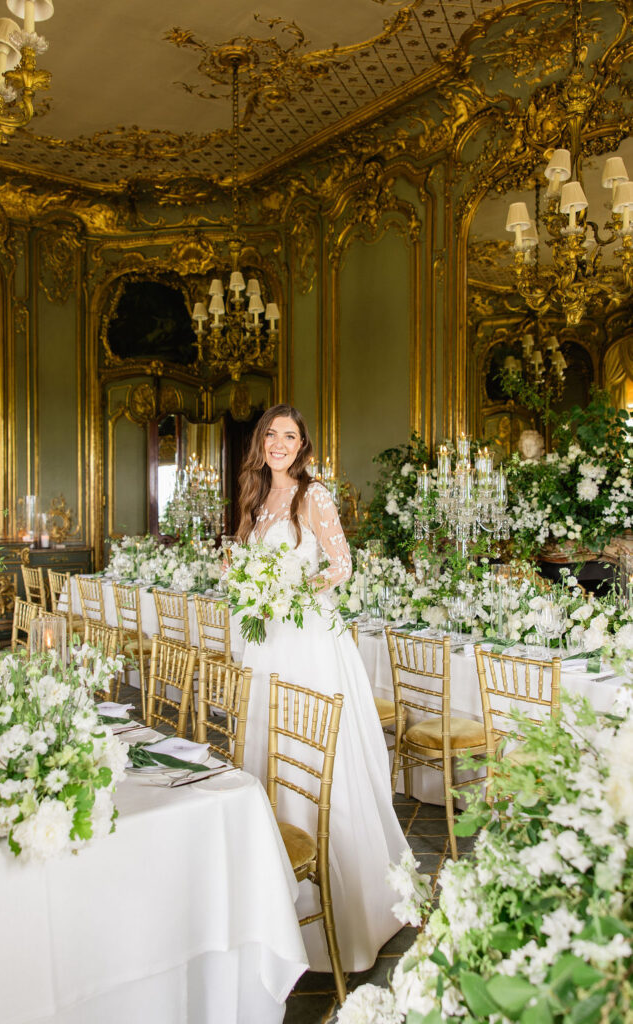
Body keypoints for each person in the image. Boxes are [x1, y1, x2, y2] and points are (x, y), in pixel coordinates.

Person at [236, 403, 408, 973]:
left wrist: (291, 589)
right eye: (272, 434)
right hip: (267, 643)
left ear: (303, 446)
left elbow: (342, 565)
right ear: (260, 442)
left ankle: (335, 908)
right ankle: (274, 891)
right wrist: (248, 582)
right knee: (268, 745)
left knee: (310, 752)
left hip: (307, 640)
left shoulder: (313, 495)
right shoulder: (257, 498)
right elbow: (248, 565)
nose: (280, 443)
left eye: (291, 436)